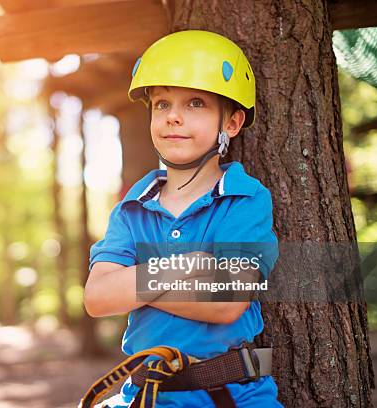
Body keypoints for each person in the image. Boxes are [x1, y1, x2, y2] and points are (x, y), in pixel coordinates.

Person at [80, 30, 281, 408]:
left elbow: (226, 300)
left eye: (194, 103)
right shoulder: (131, 209)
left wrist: (135, 282)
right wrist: (189, 266)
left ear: (232, 123)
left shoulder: (245, 199)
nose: (173, 116)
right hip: (145, 396)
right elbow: (97, 297)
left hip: (234, 396)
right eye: (161, 104)